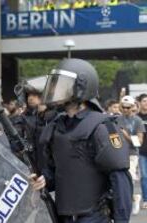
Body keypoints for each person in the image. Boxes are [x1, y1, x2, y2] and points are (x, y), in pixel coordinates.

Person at [36, 59, 132, 223]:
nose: (55, 90)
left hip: (93, 218)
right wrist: (44, 180)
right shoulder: (56, 127)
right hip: (63, 217)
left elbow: (120, 180)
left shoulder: (102, 127)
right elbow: (55, 173)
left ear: (80, 88)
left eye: (62, 85)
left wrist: (121, 220)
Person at [117, 95, 145, 215]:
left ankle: (131, 200)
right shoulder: (117, 119)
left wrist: (125, 135)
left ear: (133, 106)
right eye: (124, 107)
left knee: (130, 178)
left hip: (132, 154)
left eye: (128, 107)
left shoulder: (137, 121)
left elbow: (139, 142)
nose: (126, 109)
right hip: (118, 154)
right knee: (119, 180)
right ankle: (133, 198)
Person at [137, 93, 147, 210]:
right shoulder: (137, 117)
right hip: (141, 151)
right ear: (140, 103)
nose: (146, 103)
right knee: (144, 176)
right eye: (144, 101)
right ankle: (146, 199)